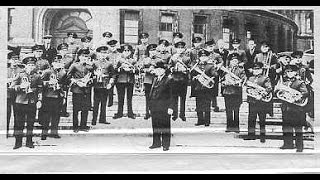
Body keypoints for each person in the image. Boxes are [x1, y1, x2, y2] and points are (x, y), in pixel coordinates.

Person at [10, 56, 43, 149]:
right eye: (29, 65)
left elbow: (40, 89)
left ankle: (29, 142)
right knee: (18, 123)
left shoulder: (37, 76)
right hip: (20, 101)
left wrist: (39, 100)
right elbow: (12, 87)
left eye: (33, 65)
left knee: (30, 123)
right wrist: (20, 86)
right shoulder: (20, 75)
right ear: (25, 66)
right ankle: (18, 142)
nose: (31, 67)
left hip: (32, 102)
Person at [279, 64, 309, 152]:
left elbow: (305, 92)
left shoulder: (300, 82)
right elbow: (280, 92)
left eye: (291, 71)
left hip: (296, 109)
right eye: (287, 72)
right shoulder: (284, 82)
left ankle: (299, 146)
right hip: (286, 108)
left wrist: (297, 97)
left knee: (298, 128)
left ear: (295, 72)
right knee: (286, 127)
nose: (289, 73)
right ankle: (288, 144)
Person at [40, 55, 68, 140]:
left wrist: (61, 87)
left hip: (58, 96)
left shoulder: (62, 72)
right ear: (52, 63)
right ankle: (44, 133)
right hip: (48, 96)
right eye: (56, 62)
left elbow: (65, 84)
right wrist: (50, 83)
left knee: (56, 115)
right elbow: (41, 82)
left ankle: (54, 132)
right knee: (46, 116)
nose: (58, 64)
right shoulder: (47, 71)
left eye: (59, 62)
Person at [149, 61, 174, 151]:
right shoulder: (155, 79)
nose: (158, 71)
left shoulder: (169, 79)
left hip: (164, 106)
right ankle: (156, 143)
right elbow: (152, 93)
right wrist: (150, 106)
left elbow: (172, 95)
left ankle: (166, 144)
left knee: (165, 125)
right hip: (154, 106)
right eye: (157, 69)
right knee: (155, 125)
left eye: (160, 69)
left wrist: (171, 107)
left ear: (164, 70)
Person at [245, 62, 272, 142]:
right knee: (251, 118)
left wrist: (261, 95)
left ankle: (262, 136)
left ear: (261, 70)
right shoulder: (250, 78)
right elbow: (248, 89)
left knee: (262, 119)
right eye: (254, 69)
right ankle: (251, 135)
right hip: (252, 101)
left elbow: (269, 88)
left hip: (261, 102)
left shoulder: (265, 78)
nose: (256, 71)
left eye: (258, 69)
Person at [67, 49, 94, 132]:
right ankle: (75, 126)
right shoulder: (74, 65)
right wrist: (76, 82)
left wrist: (89, 80)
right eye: (83, 56)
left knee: (85, 109)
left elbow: (93, 76)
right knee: (76, 109)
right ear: (79, 57)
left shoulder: (89, 66)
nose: (84, 58)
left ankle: (83, 125)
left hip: (86, 89)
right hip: (77, 89)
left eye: (86, 56)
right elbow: (68, 76)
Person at [191, 49, 219, 127]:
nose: (203, 58)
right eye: (201, 57)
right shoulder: (197, 66)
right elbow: (192, 75)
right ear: (199, 57)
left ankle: (207, 121)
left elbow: (215, 75)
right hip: (198, 87)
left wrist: (210, 76)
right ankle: (200, 120)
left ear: (207, 57)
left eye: (205, 56)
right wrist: (195, 77)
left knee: (207, 104)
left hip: (207, 88)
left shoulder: (210, 66)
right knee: (198, 104)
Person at [220, 53, 246, 133]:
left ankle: (236, 127)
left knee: (236, 110)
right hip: (227, 91)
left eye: (236, 61)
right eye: (232, 61)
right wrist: (224, 83)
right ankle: (229, 126)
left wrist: (237, 82)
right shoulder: (226, 69)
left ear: (238, 62)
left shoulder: (241, 70)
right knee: (228, 109)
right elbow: (221, 80)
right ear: (230, 61)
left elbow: (243, 80)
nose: (234, 62)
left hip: (236, 92)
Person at [91, 46, 116, 125]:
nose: (103, 55)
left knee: (104, 103)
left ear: (107, 54)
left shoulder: (109, 64)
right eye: (101, 53)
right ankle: (94, 120)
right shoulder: (95, 63)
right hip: (97, 85)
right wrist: (95, 75)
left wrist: (110, 83)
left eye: (105, 53)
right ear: (98, 54)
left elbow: (113, 75)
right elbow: (91, 73)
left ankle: (102, 119)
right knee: (96, 104)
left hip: (105, 85)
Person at [113, 44, 138, 119]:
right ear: (122, 52)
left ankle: (130, 113)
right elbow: (115, 69)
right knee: (120, 98)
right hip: (120, 80)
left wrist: (131, 70)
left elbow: (137, 70)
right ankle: (119, 113)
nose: (126, 52)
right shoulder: (119, 60)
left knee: (129, 98)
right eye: (125, 51)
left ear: (131, 52)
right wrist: (122, 69)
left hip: (130, 80)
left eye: (128, 51)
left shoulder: (133, 60)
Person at [168, 41, 191, 121]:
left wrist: (186, 70)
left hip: (183, 80)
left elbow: (190, 68)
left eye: (181, 48)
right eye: (178, 48)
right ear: (176, 48)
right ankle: (175, 114)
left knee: (183, 98)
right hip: (174, 79)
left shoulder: (187, 58)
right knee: (174, 97)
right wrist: (172, 69)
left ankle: (182, 114)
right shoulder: (173, 57)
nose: (180, 49)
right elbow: (169, 66)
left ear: (184, 49)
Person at [205, 39, 224, 112]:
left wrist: (218, 66)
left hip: (214, 74)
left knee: (214, 90)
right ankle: (206, 105)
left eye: (212, 47)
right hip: (205, 74)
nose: (210, 48)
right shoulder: (203, 54)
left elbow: (221, 62)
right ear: (206, 47)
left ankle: (214, 105)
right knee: (205, 90)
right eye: (209, 47)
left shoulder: (217, 55)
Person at [7, 51, 22, 138]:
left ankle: (17, 133)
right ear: (9, 60)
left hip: (18, 95)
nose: (15, 61)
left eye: (16, 59)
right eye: (13, 59)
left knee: (18, 114)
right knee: (7, 114)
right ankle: (6, 132)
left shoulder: (21, 70)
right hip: (7, 95)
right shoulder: (5, 69)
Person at [141, 44, 159, 120]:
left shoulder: (159, 59)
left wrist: (156, 71)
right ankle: (147, 113)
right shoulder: (145, 59)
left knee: (156, 97)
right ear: (148, 51)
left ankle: (155, 112)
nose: (153, 52)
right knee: (147, 97)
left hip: (156, 80)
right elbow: (141, 69)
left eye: (154, 50)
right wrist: (147, 70)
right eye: (151, 50)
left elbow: (163, 67)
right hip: (148, 80)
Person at [56, 43, 74, 117]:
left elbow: (72, 70)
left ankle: (64, 111)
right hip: (57, 79)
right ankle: (57, 110)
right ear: (59, 51)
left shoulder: (70, 59)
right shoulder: (56, 58)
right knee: (57, 95)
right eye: (62, 50)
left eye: (65, 50)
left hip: (65, 79)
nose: (64, 52)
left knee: (64, 95)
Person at [106, 39, 121, 107]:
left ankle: (119, 101)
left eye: (114, 46)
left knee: (119, 87)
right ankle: (110, 101)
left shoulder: (119, 54)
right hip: (111, 73)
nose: (113, 48)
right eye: (111, 46)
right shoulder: (107, 55)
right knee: (110, 87)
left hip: (118, 73)